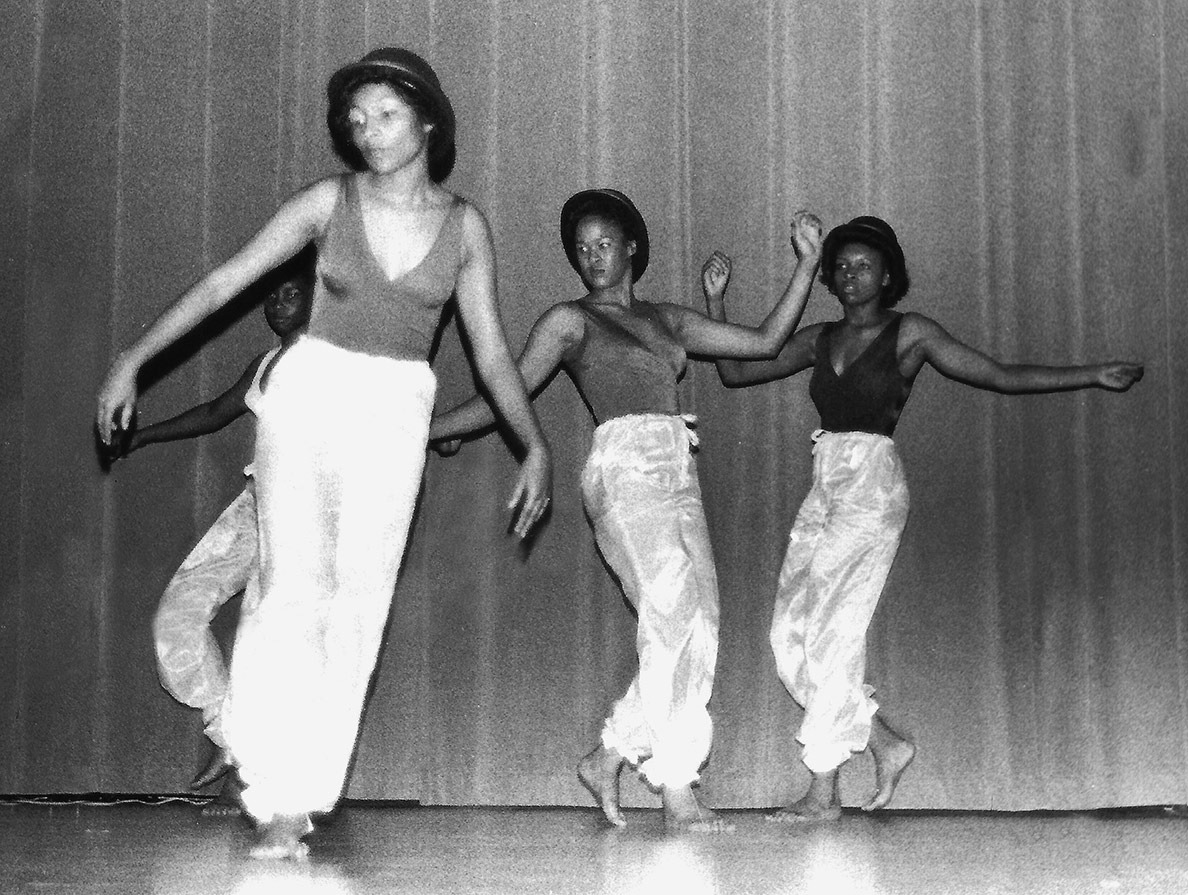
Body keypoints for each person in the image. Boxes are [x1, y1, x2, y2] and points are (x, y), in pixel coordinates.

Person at [95, 47, 552, 860]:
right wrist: (132, 359)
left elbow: (490, 352)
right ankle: (272, 794)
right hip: (308, 396)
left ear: (428, 120)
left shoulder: (465, 225)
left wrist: (536, 445)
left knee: (359, 599)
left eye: (384, 114)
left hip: (397, 407)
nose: (367, 130)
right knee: (287, 588)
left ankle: (306, 792)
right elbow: (223, 283)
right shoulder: (325, 202)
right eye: (355, 118)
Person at [703, 215, 1144, 822]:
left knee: (833, 634)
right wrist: (716, 300)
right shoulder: (818, 337)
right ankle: (886, 742)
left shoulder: (911, 334)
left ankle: (823, 794)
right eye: (841, 267)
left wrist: (1091, 374)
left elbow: (998, 375)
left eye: (863, 265)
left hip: (871, 486)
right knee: (789, 639)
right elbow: (735, 371)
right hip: (825, 482)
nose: (850, 275)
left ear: (888, 275)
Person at [429, 189, 823, 832]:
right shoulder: (568, 319)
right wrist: (440, 427)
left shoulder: (668, 319)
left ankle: (607, 756)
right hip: (623, 467)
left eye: (603, 244)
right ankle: (676, 792)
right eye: (581, 249)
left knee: (699, 622)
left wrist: (806, 263)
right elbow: (511, 384)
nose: (592, 258)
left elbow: (765, 340)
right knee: (671, 613)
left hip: (676, 467)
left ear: (632, 246)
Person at [105, 255, 313, 816]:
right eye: (271, 295)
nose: (276, 303)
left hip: (309, 513)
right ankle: (232, 735)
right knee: (178, 612)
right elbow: (217, 411)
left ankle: (255, 779)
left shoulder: (334, 359)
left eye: (291, 293)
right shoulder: (265, 362)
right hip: (257, 504)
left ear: (320, 298)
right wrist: (143, 437)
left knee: (272, 640)